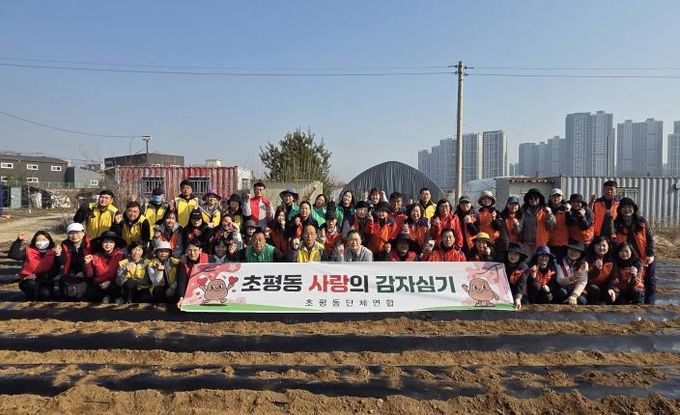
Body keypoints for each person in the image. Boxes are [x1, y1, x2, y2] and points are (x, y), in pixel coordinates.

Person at [614, 197, 656, 304]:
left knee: (649, 280)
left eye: (629, 207)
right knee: (629, 280)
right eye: (624, 207)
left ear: (634, 209)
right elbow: (613, 241)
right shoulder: (616, 223)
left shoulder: (642, 222)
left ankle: (650, 303)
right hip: (626, 257)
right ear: (620, 210)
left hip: (644, 256)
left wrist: (650, 253)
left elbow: (650, 238)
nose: (627, 210)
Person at [8, 230, 60, 301]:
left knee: (45, 294)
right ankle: (31, 298)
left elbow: (55, 271)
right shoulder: (28, 251)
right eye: (38, 240)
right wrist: (18, 241)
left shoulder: (54, 253)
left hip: (45, 280)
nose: (41, 242)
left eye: (44, 239)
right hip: (28, 280)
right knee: (32, 286)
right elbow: (13, 255)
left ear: (49, 241)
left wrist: (37, 275)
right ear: (34, 241)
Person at [84, 230, 126, 303]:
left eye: (111, 242)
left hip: (115, 285)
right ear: (101, 243)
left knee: (115, 289)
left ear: (115, 244)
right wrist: (87, 263)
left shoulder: (121, 256)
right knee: (91, 294)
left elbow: (122, 274)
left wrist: (109, 282)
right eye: (105, 242)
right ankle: (104, 297)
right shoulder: (95, 256)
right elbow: (89, 275)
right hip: (99, 285)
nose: (108, 244)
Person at [58, 223, 92, 301]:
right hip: (71, 271)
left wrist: (83, 272)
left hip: (88, 272)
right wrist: (58, 255)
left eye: (77, 233)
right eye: (71, 233)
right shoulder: (65, 244)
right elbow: (63, 261)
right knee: (65, 285)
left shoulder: (90, 244)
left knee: (78, 290)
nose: (74, 236)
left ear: (83, 233)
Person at [518, 188, 555, 255]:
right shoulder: (523, 212)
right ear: (528, 200)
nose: (533, 200)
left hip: (541, 244)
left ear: (540, 199)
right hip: (526, 244)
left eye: (536, 198)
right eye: (531, 198)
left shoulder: (546, 211)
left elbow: (550, 227)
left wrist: (549, 215)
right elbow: (519, 228)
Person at [176, 241, 209, 306]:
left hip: (206, 288)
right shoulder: (182, 261)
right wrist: (181, 298)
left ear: (200, 250)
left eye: (195, 250)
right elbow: (182, 280)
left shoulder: (208, 258)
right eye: (189, 250)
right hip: (189, 288)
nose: (192, 253)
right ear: (186, 251)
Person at [556, 240, 589, 305]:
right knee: (561, 294)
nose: (573, 252)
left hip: (576, 289)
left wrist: (574, 296)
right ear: (567, 250)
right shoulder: (559, 261)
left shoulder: (584, 264)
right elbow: (559, 280)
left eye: (577, 251)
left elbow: (582, 282)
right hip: (562, 287)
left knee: (582, 300)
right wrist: (572, 278)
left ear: (581, 254)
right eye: (571, 249)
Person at [585, 236, 615, 304]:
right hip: (589, 285)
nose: (601, 248)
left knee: (611, 293)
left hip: (604, 285)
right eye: (598, 245)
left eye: (604, 245)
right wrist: (596, 269)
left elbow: (612, 277)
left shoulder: (611, 259)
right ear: (594, 246)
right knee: (594, 288)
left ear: (608, 246)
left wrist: (610, 288)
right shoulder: (588, 258)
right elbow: (588, 276)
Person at [547, 188, 570, 261]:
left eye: (558, 196)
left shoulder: (567, 210)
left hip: (562, 244)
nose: (556, 198)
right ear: (550, 197)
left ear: (562, 197)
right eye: (554, 196)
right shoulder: (545, 210)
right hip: (548, 244)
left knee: (561, 265)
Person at [504, 242, 528, 310]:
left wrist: (518, 298)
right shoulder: (501, 264)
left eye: (516, 254)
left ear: (520, 256)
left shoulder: (523, 267)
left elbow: (521, 285)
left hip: (518, 293)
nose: (513, 256)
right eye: (510, 253)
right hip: (503, 292)